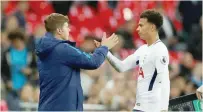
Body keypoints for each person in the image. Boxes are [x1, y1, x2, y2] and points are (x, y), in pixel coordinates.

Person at [35, 13, 118, 111]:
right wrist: (105, 47)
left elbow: (79, 58)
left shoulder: (46, 49)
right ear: (59, 30)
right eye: (66, 27)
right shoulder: (62, 49)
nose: (69, 29)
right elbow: (93, 62)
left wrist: (99, 50)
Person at [95, 9, 170, 112]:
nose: (137, 29)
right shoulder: (143, 49)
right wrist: (105, 50)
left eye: (141, 25)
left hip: (152, 108)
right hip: (139, 107)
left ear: (152, 27)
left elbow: (164, 80)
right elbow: (121, 67)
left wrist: (164, 108)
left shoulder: (160, 49)